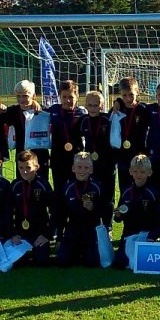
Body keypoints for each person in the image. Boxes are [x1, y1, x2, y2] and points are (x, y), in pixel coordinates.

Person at [112, 154, 160, 269]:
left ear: (149, 173)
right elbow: (119, 218)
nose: (138, 175)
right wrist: (117, 215)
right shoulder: (126, 191)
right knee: (118, 264)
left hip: (146, 235)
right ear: (131, 171)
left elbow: (159, 221)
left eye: (142, 172)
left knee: (141, 264)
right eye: (135, 171)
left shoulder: (153, 194)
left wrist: (152, 237)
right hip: (128, 235)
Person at [56, 152, 107, 267]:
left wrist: (93, 208)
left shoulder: (97, 187)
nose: (82, 170)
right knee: (62, 262)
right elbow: (61, 214)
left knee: (92, 263)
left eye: (86, 167)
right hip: (72, 230)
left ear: (91, 170)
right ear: (73, 168)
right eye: (79, 167)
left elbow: (104, 210)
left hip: (90, 230)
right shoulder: (66, 188)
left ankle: (85, 252)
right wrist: (59, 237)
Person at [8, 150, 54, 266]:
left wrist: (47, 235)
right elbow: (7, 212)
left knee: (41, 261)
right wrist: (12, 234)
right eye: (21, 167)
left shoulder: (44, 185)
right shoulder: (15, 185)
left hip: (39, 233)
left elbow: (55, 211)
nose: (24, 171)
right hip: (20, 233)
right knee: (17, 262)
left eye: (28, 167)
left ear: (36, 167)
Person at [80, 91, 116, 231]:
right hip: (90, 167)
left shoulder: (107, 120)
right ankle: (93, 224)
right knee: (91, 195)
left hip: (107, 165)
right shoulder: (83, 121)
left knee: (108, 198)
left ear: (102, 106)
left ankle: (108, 226)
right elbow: (75, 139)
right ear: (86, 105)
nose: (93, 108)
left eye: (96, 105)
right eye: (90, 105)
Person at [45, 80, 86, 194]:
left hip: (76, 159)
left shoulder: (82, 113)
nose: (68, 100)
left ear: (77, 96)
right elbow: (37, 110)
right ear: (59, 96)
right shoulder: (53, 110)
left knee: (76, 189)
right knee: (59, 190)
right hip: (57, 159)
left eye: (71, 97)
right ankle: (59, 212)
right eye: (64, 97)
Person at [113, 77, 151, 195]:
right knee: (125, 190)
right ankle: (124, 213)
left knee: (141, 190)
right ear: (120, 94)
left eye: (131, 94)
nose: (128, 98)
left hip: (140, 157)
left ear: (138, 92)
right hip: (123, 157)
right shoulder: (117, 109)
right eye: (124, 95)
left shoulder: (144, 110)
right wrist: (117, 101)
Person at [7, 80, 49, 180]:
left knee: (41, 183)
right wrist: (0, 107)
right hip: (21, 155)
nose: (21, 99)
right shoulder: (12, 112)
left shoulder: (42, 111)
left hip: (40, 155)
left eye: (25, 96)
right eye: (18, 96)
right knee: (22, 184)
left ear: (33, 96)